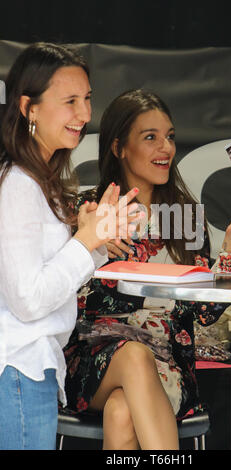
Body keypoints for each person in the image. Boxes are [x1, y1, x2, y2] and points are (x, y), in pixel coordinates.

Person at [64, 89, 231, 450]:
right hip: (93, 363)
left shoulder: (186, 216)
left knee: (120, 412)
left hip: (167, 365)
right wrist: (90, 246)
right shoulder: (91, 210)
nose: (166, 148)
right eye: (150, 137)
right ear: (118, 148)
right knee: (134, 356)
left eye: (170, 137)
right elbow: (60, 293)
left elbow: (204, 314)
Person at [0, 44, 142, 450]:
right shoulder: (18, 185)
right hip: (18, 371)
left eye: (87, 99)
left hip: (30, 371)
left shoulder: (35, 179)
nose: (84, 115)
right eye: (70, 101)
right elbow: (28, 300)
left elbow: (48, 280)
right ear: (29, 108)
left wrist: (97, 244)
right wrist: (86, 240)